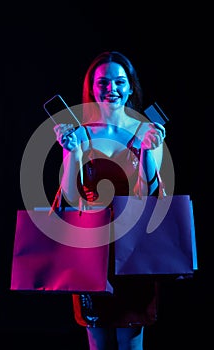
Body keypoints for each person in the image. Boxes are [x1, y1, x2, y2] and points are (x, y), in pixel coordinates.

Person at [51, 51, 166, 350]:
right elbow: (69, 198)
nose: (111, 89)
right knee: (98, 341)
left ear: (130, 87)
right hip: (91, 248)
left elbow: (149, 196)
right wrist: (71, 152)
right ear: (92, 87)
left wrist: (146, 152)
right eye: (103, 82)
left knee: (132, 342)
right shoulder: (79, 134)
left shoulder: (147, 132)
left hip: (135, 248)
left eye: (119, 81)